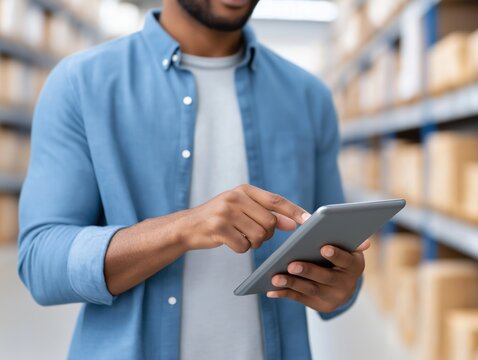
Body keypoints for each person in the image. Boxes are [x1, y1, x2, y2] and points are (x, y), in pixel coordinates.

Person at [18, 0, 369, 359]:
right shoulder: (80, 83)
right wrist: (183, 228)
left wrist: (340, 286)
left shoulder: (310, 97)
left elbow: (335, 261)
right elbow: (41, 264)